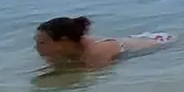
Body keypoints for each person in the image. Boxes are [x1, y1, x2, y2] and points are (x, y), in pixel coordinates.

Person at [33, 17, 173, 70]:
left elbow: (88, 74)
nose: (37, 47)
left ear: (63, 41)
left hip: (159, 43)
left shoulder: (96, 52)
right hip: (133, 39)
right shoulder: (63, 50)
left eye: (42, 42)